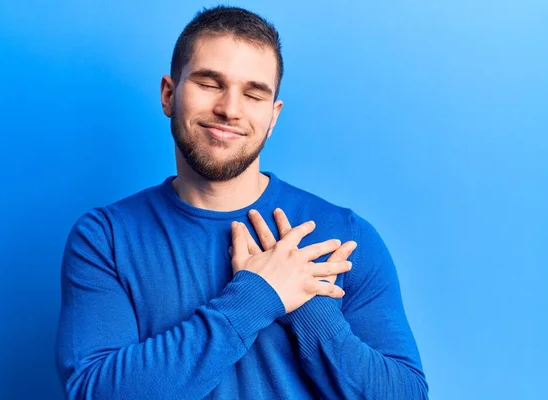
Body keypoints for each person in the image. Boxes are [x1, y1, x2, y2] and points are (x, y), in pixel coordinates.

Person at [55, 5, 428, 399]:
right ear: (169, 94)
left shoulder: (344, 236)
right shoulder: (106, 238)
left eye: (253, 94)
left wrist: (307, 308)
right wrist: (258, 296)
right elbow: (94, 392)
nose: (230, 109)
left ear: (273, 117)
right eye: (209, 83)